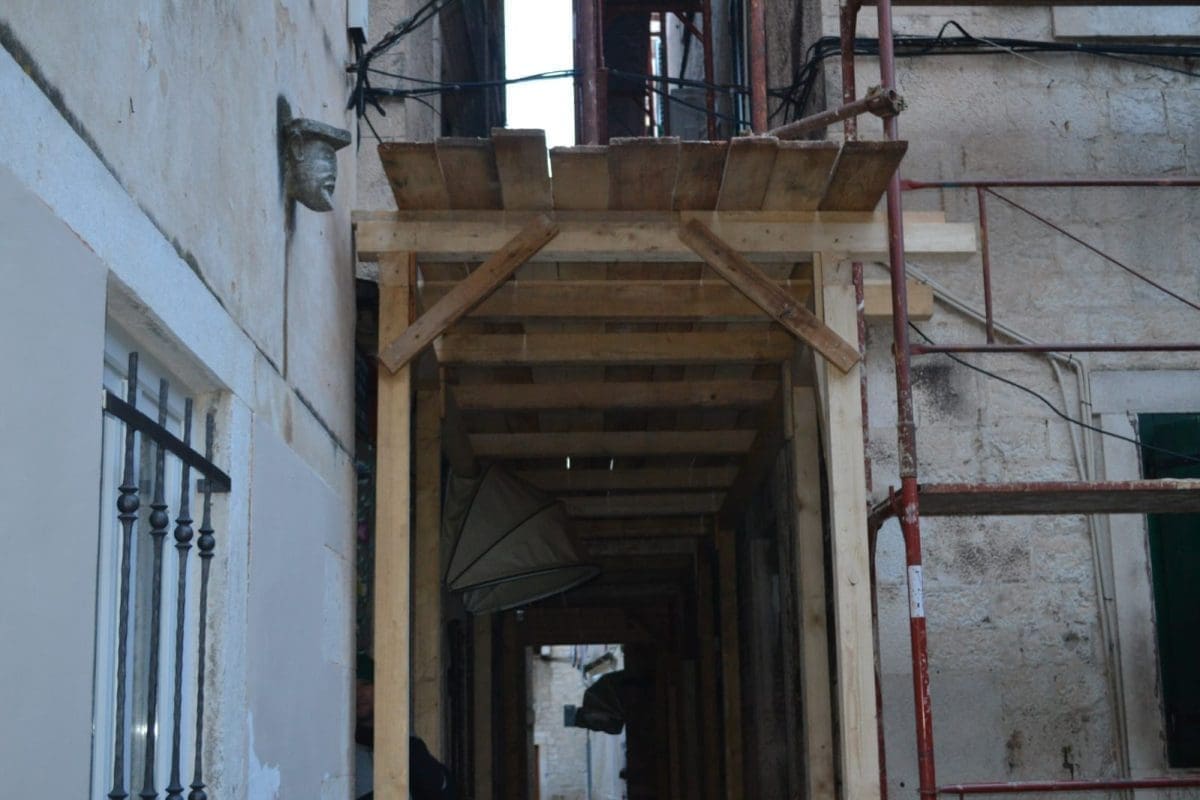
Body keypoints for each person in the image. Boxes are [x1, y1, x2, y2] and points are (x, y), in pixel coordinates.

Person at [356, 654, 455, 800]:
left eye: (365, 684)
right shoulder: (339, 752)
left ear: (380, 687)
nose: (359, 693)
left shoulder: (407, 741)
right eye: (352, 686)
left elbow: (442, 789)